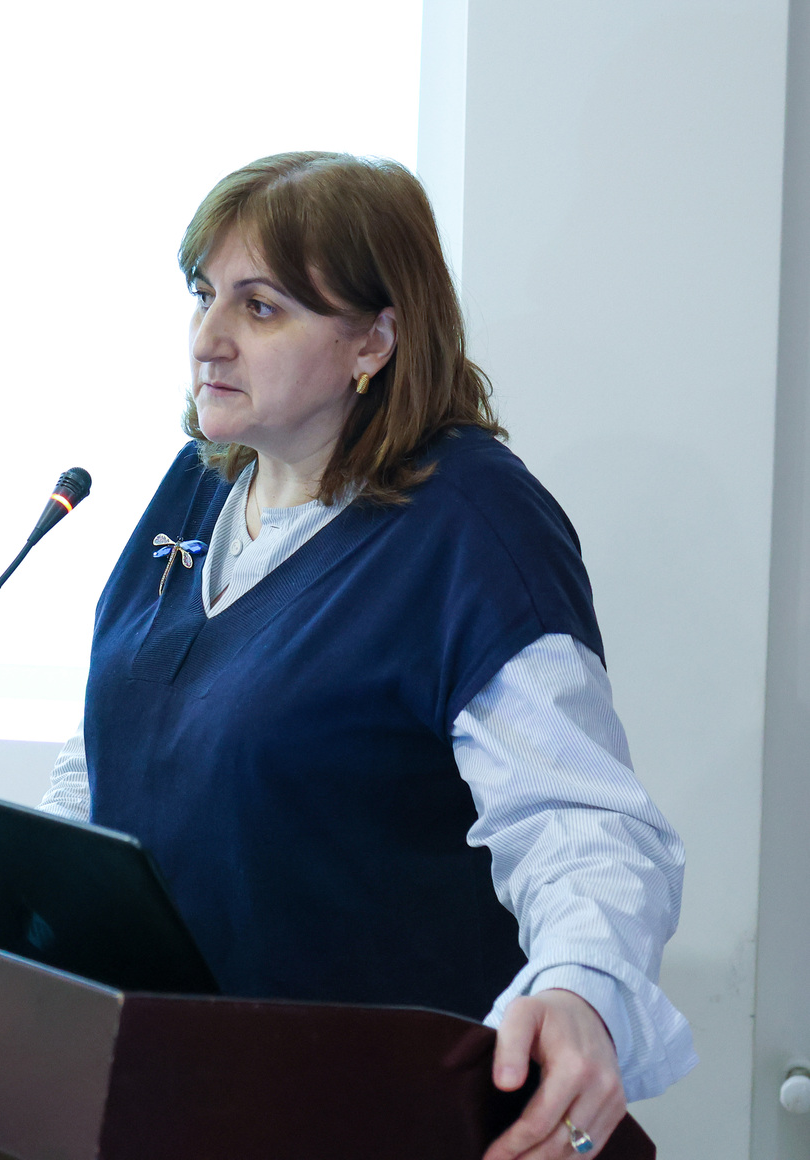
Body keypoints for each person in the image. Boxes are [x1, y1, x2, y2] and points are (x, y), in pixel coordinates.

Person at [39, 152, 695, 1160]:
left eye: (261, 307)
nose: (208, 339)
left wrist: (581, 986)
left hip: (385, 1112)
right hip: (188, 1095)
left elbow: (579, 819)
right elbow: (107, 751)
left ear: (373, 340)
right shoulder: (201, 482)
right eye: (205, 295)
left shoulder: (471, 522)